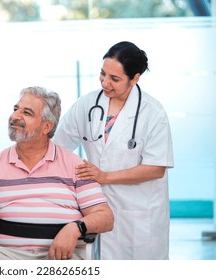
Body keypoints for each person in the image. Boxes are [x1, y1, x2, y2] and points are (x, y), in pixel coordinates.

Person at [0, 86, 114, 260]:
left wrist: (75, 228)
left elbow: (105, 217)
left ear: (46, 126)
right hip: (5, 255)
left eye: (27, 113)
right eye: (16, 109)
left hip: (62, 256)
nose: (15, 117)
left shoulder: (75, 166)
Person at [53, 41, 174, 260]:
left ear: (135, 78)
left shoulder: (153, 112)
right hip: (99, 206)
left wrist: (103, 176)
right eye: (102, 74)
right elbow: (58, 147)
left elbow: (156, 168)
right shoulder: (87, 104)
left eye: (114, 79)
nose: (105, 83)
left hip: (140, 212)